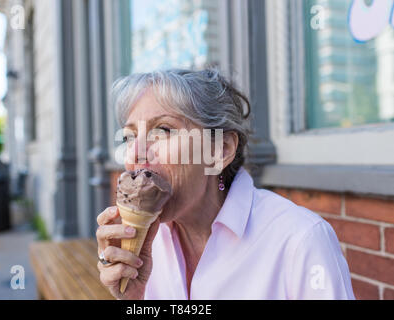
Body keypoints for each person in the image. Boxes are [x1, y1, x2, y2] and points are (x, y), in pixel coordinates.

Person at [96, 68, 355, 300]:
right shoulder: (144, 246)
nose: (135, 153)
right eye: (129, 137)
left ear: (220, 149)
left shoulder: (300, 239)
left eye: (163, 130)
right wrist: (134, 300)